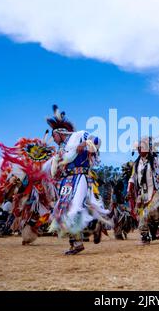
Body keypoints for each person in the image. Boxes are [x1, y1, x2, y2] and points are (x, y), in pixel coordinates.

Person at [47, 105, 110, 255]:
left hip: (81, 177)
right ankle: (77, 241)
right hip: (67, 181)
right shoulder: (61, 150)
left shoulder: (79, 135)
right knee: (63, 210)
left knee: (74, 209)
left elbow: (97, 140)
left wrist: (85, 144)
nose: (53, 139)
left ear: (60, 133)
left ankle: (87, 232)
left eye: (54, 136)